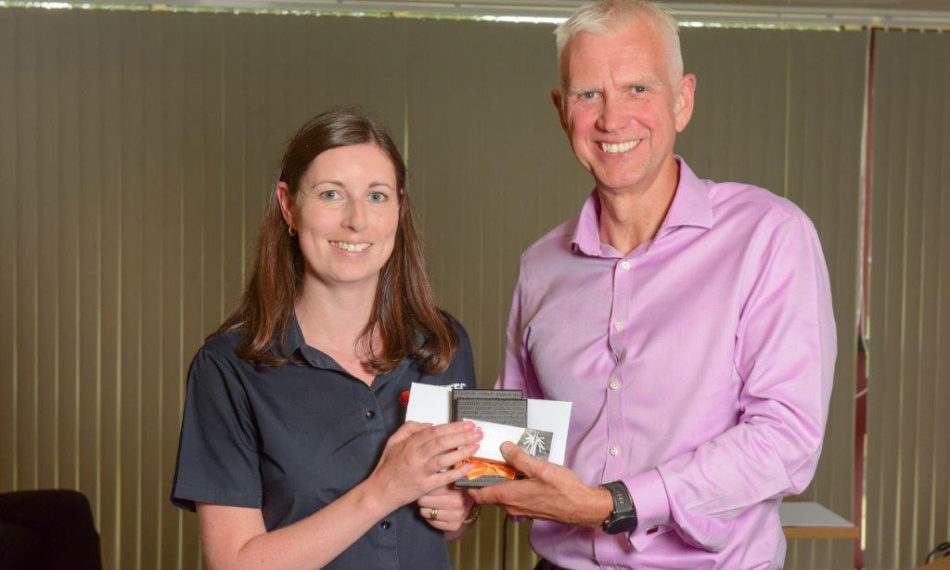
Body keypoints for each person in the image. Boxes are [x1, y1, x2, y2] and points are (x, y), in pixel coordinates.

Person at [468, 1, 837, 569]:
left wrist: (611, 504)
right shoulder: (540, 264)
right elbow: (517, 432)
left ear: (683, 100)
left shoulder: (769, 235)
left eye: (638, 88)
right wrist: (446, 472)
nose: (613, 119)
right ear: (561, 110)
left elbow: (785, 440)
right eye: (589, 94)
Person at [170, 109, 482, 570]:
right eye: (331, 194)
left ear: (399, 208)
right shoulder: (229, 368)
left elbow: (443, 518)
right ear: (288, 205)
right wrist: (381, 491)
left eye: (376, 196)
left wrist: (457, 511)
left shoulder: (443, 344)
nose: (356, 221)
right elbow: (234, 564)